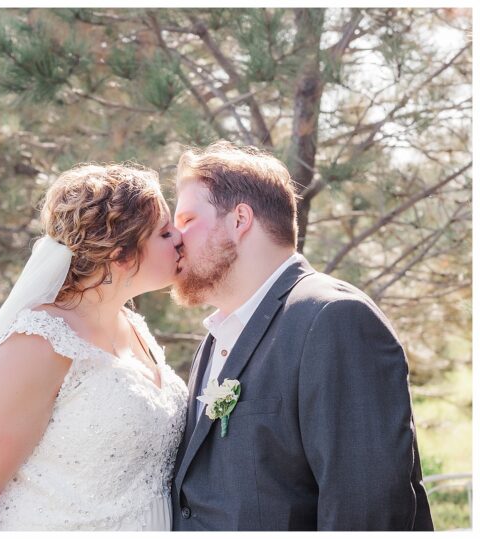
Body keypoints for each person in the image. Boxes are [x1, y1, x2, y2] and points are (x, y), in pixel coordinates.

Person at [169, 141, 433, 531]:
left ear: (239, 219)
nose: (175, 237)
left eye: (188, 220)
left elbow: (367, 508)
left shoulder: (333, 318)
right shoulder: (217, 335)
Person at [0, 163, 189, 531]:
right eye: (165, 232)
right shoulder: (39, 342)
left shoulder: (135, 327)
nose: (180, 239)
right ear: (121, 256)